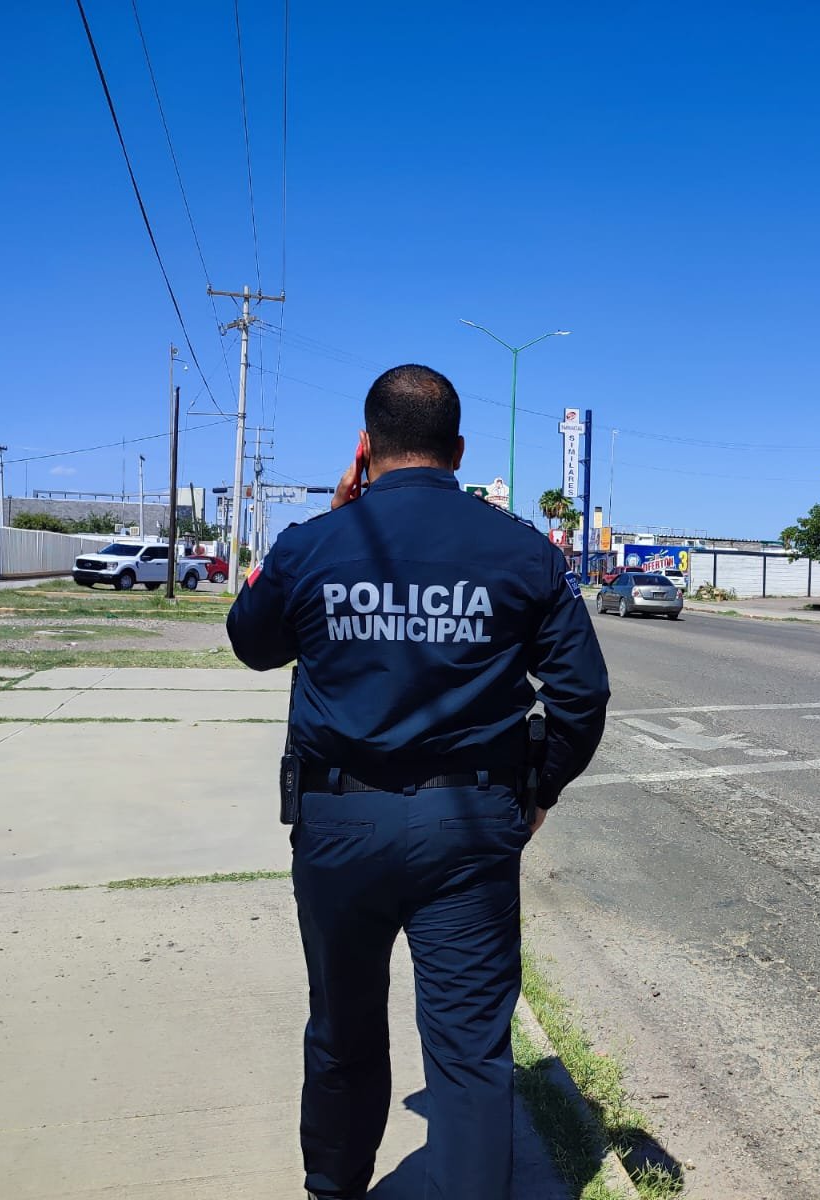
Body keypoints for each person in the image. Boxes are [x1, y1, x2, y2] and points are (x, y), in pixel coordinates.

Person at [226, 363, 610, 1199]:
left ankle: (334, 1190)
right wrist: (538, 791)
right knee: (470, 1054)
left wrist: (335, 523)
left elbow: (252, 643)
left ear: (365, 447)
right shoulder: (523, 550)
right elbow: (582, 696)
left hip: (339, 823)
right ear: (459, 451)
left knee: (342, 1032)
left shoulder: (315, 544)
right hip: (468, 826)